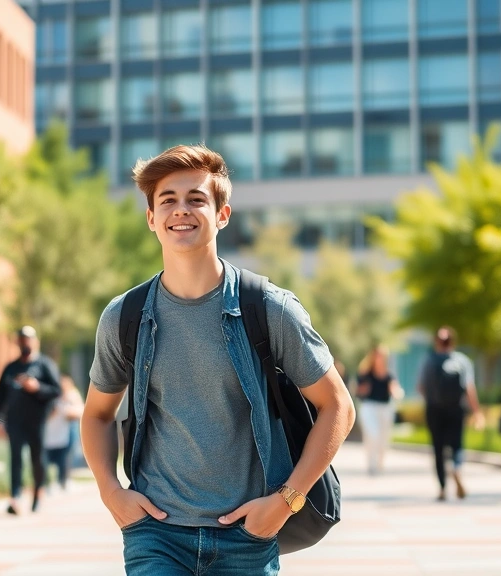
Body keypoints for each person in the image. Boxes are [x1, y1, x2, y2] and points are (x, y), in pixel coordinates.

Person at [81, 145, 356, 575]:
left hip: (248, 536)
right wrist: (111, 492)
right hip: (156, 535)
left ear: (222, 214)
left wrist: (285, 502)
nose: (181, 210)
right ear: (151, 218)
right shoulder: (125, 316)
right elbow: (97, 414)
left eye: (196, 198)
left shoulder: (269, 308)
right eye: (167, 200)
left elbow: (337, 406)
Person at [0, 326, 62, 515]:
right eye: (21, 339)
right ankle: (15, 497)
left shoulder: (44, 365)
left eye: (28, 339)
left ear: (35, 341)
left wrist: (37, 387)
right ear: (17, 342)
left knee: (37, 458)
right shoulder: (11, 368)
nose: (25, 343)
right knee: (16, 459)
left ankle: (38, 493)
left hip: (37, 422)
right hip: (15, 422)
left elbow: (56, 391)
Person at [418, 327, 483, 501]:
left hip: (434, 410)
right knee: (457, 445)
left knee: (438, 448)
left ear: (436, 342)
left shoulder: (429, 360)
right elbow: (469, 388)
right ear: (453, 341)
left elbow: (421, 387)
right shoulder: (462, 361)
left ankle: (442, 488)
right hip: (456, 408)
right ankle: (457, 467)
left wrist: (432, 400)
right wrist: (477, 412)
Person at [356, 345, 404, 475]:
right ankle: (371, 463)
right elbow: (357, 391)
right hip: (369, 407)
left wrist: (396, 393)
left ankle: (380, 462)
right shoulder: (365, 373)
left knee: (383, 438)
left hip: (385, 408)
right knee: (373, 434)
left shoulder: (389, 375)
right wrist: (364, 389)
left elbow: (396, 389)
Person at [44, 375, 85, 491]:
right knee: (49, 459)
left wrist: (69, 411)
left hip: (66, 432)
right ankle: (49, 483)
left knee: (65, 458)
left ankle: (63, 481)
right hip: (52, 434)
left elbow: (80, 410)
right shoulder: (53, 398)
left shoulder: (72, 395)